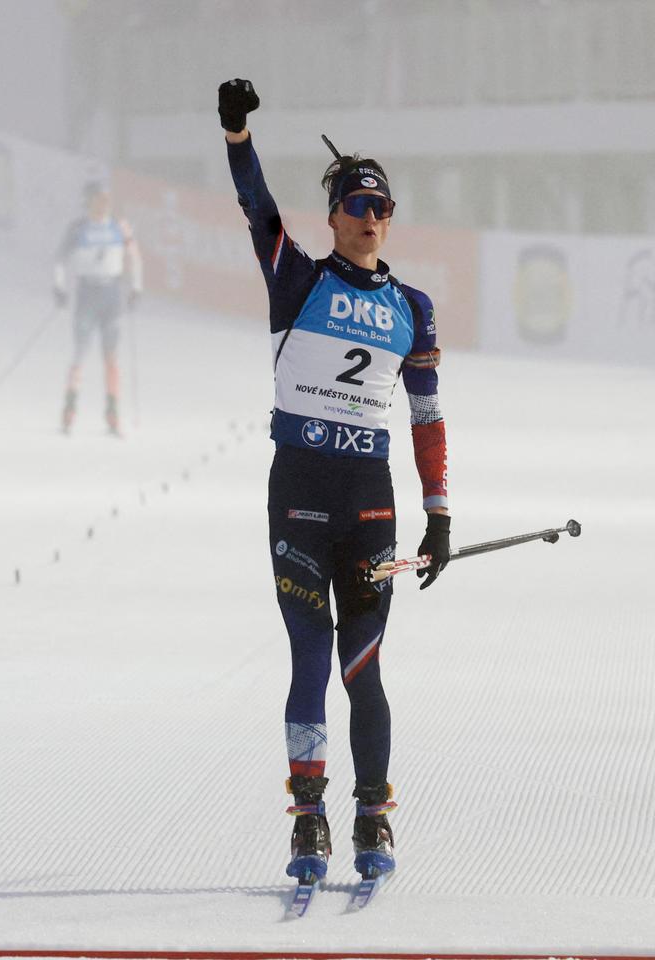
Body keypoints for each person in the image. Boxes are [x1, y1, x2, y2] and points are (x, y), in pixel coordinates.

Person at [218, 77, 451, 886]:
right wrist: (238, 135)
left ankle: (372, 815)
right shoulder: (299, 281)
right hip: (299, 502)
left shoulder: (413, 308)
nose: (371, 220)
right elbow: (258, 211)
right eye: (357, 207)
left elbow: (426, 417)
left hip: (371, 510)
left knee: (367, 667)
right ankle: (309, 820)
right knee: (310, 659)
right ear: (334, 218)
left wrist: (441, 517)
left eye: (382, 209)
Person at [53, 179, 143, 435]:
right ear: (89, 200)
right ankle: (69, 409)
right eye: (99, 199)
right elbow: (60, 260)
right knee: (80, 353)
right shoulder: (79, 229)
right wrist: (59, 287)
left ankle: (112, 412)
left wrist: (136, 287)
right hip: (87, 294)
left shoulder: (119, 227)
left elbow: (134, 258)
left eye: (107, 199)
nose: (105, 204)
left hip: (112, 294)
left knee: (111, 357)